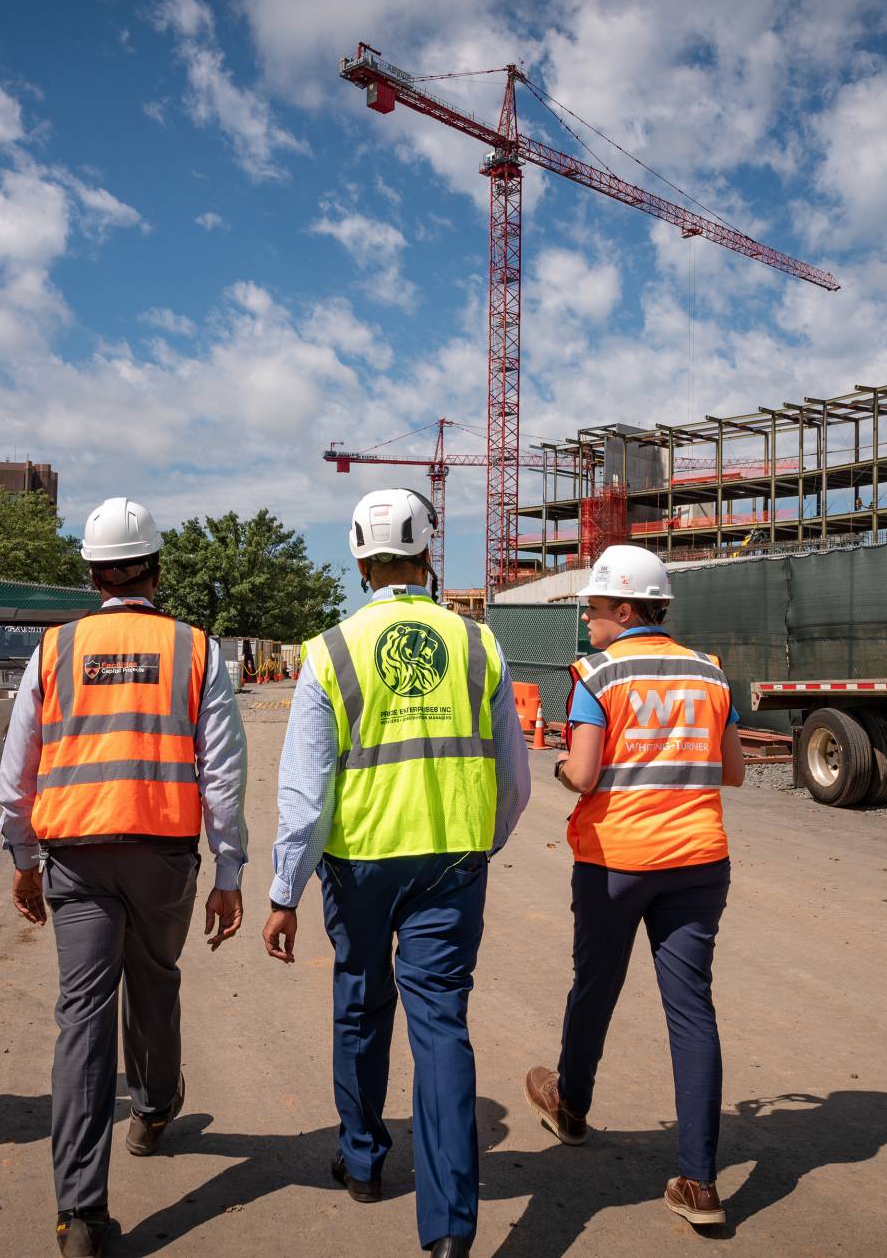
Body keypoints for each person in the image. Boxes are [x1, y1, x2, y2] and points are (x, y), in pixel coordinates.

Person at [263, 488, 530, 1258]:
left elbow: (306, 795)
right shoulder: (479, 644)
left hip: (358, 868)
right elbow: (514, 778)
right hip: (451, 865)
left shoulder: (330, 652)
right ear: (426, 555)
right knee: (441, 1024)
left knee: (359, 1000)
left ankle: (363, 1158)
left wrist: (284, 889)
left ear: (358, 559)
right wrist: (483, 841)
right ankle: (449, 1231)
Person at [0, 496, 248, 1258]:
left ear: (92, 573)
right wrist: (229, 869)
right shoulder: (196, 649)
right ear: (156, 569)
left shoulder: (55, 649)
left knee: (81, 1015)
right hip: (163, 852)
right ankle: (154, 1107)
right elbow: (224, 773)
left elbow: (17, 770)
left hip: (75, 854)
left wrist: (21, 854)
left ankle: (81, 1214)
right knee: (156, 977)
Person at [522, 544, 745, 1230]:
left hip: (616, 863)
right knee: (692, 1011)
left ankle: (572, 1106)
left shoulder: (598, 674)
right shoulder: (709, 673)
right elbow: (732, 771)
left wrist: (560, 764)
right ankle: (700, 1183)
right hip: (698, 863)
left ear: (625, 607)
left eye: (592, 607)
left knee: (595, 985)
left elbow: (585, 773)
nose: (586, 620)